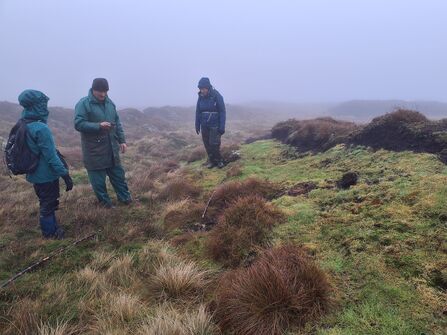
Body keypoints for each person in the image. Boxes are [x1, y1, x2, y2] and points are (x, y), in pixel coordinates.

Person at [19, 90, 73, 239]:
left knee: (46, 201)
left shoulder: (23, 123)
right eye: (43, 104)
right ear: (38, 106)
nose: (46, 108)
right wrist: (65, 175)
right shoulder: (41, 128)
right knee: (48, 204)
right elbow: (51, 157)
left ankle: (53, 228)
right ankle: (50, 234)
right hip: (46, 175)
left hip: (34, 173)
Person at [74, 78, 131, 208]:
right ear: (93, 89)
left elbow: (117, 124)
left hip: (111, 148)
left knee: (118, 176)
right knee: (98, 181)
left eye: (105, 91)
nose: (103, 94)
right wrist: (98, 126)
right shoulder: (84, 104)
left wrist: (122, 140)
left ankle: (125, 199)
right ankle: (106, 205)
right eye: (100, 91)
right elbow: (78, 124)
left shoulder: (110, 104)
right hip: (94, 151)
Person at [195, 77, 226, 169]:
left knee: (214, 144)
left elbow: (222, 111)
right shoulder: (200, 97)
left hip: (214, 125)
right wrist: (197, 124)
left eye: (204, 88)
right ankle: (212, 161)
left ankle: (219, 161)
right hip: (204, 125)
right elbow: (198, 111)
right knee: (207, 144)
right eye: (201, 88)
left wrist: (222, 126)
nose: (202, 90)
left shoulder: (217, 95)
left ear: (208, 87)